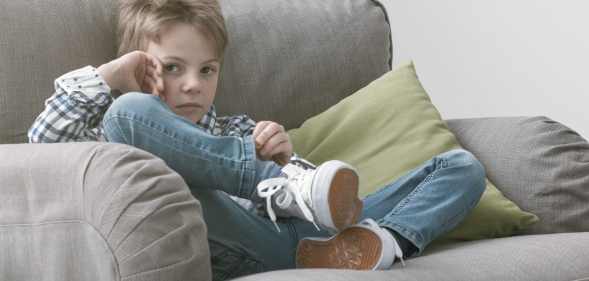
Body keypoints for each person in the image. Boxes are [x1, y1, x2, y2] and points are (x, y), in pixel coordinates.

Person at [28, 0, 486, 279]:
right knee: (130, 113)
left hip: (307, 240)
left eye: (206, 70)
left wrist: (290, 161)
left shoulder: (234, 130)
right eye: (172, 67)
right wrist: (109, 78)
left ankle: (379, 247)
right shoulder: (113, 125)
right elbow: (42, 143)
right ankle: (278, 188)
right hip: (236, 246)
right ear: (136, 63)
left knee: (463, 168)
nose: (193, 85)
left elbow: (325, 204)